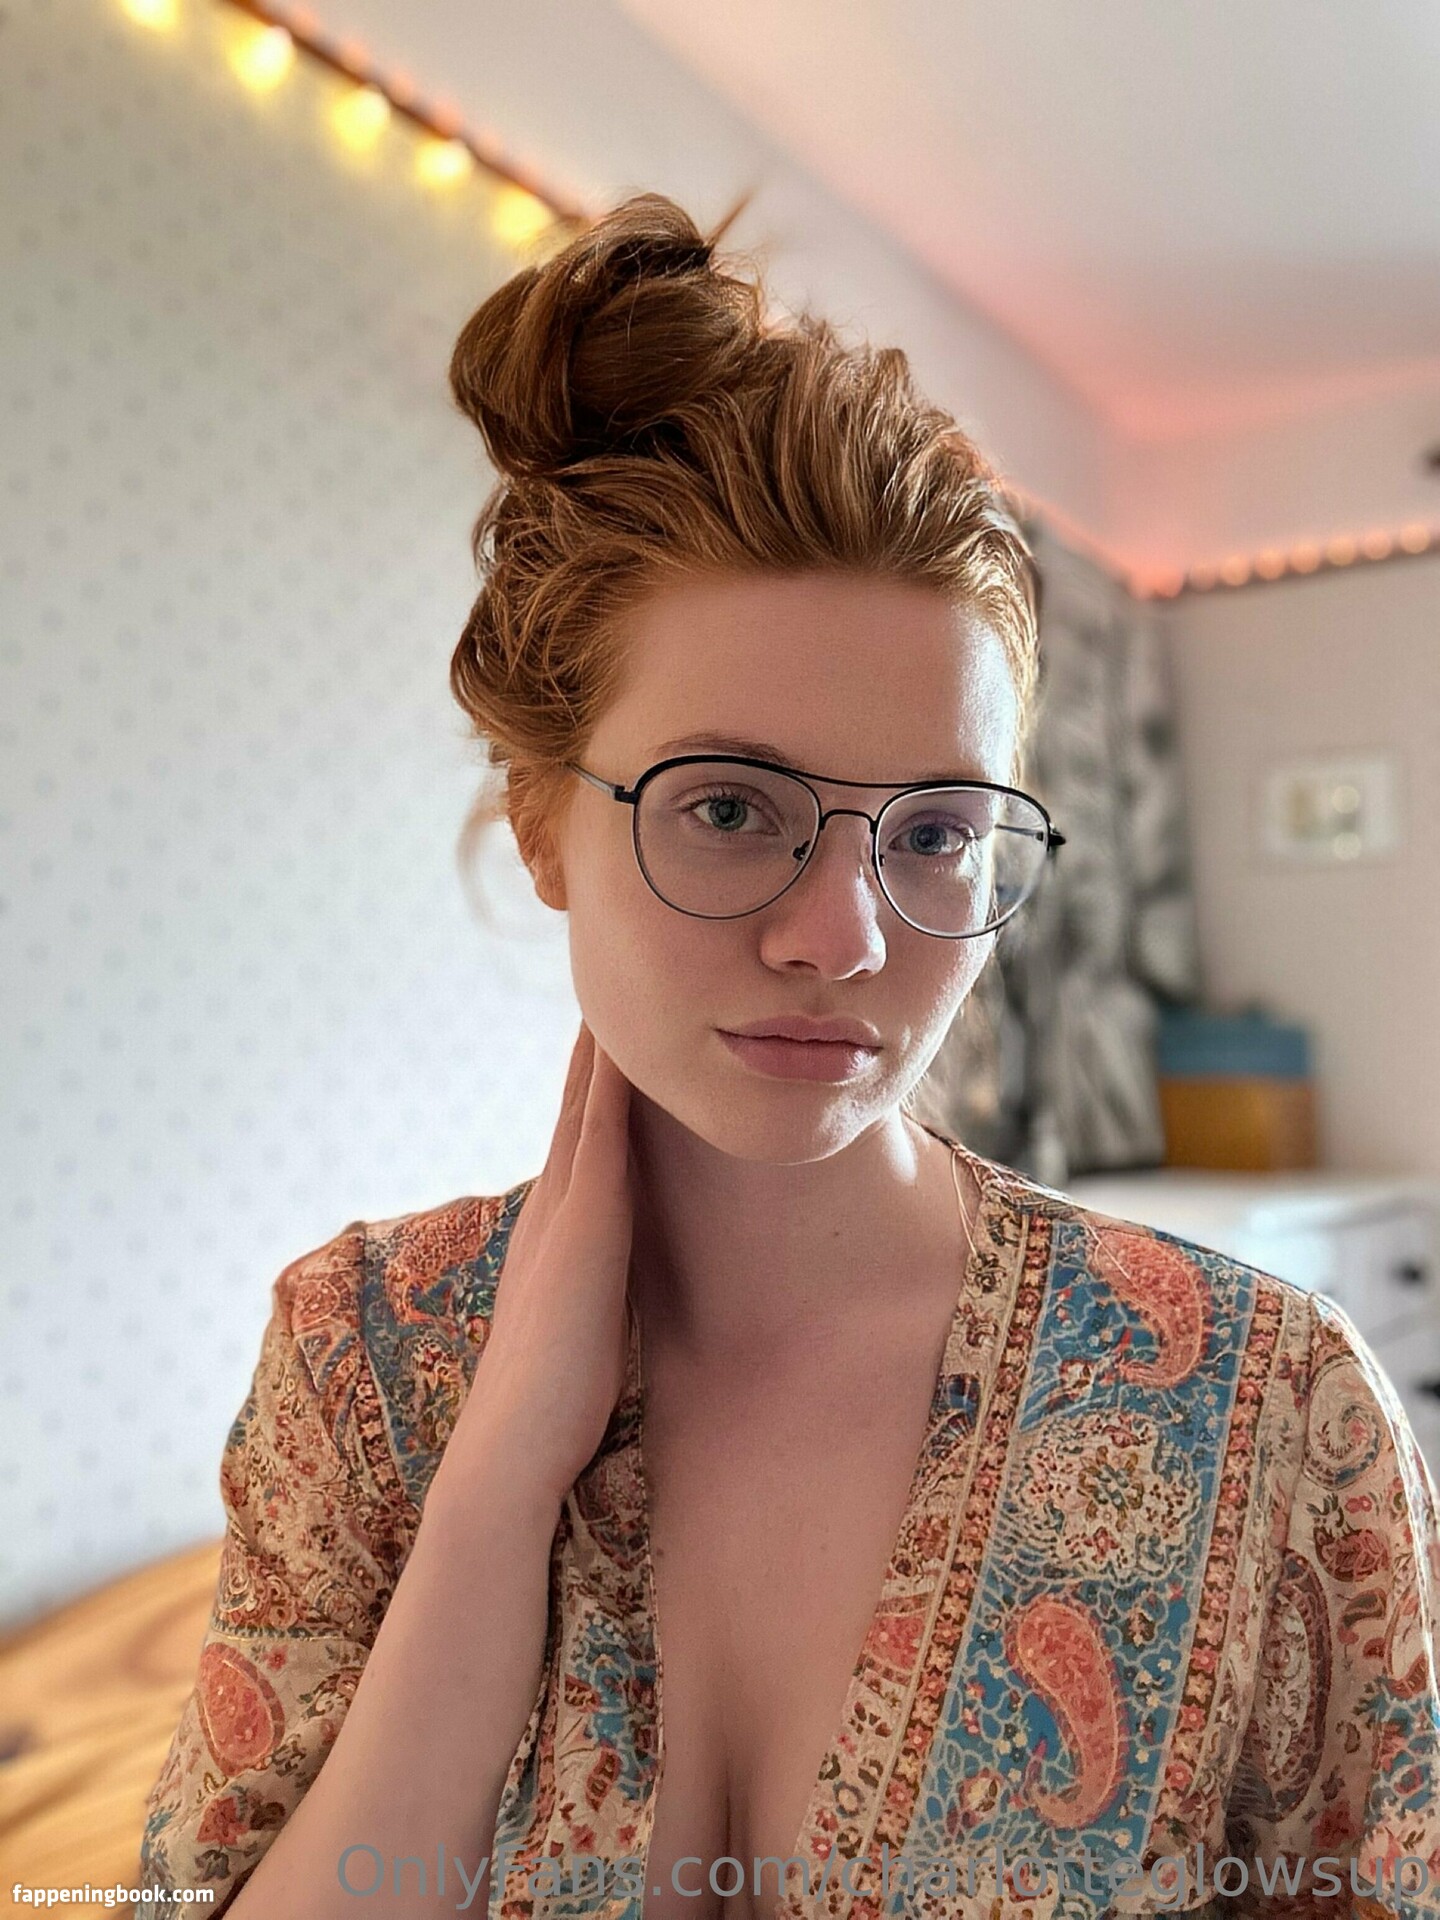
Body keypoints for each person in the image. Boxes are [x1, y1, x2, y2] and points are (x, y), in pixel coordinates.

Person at [137, 193, 1440, 1920]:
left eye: (937, 834)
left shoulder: (1267, 1406)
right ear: (541, 822)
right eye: (731, 808)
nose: (845, 938)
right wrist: (498, 1490)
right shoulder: (360, 1361)